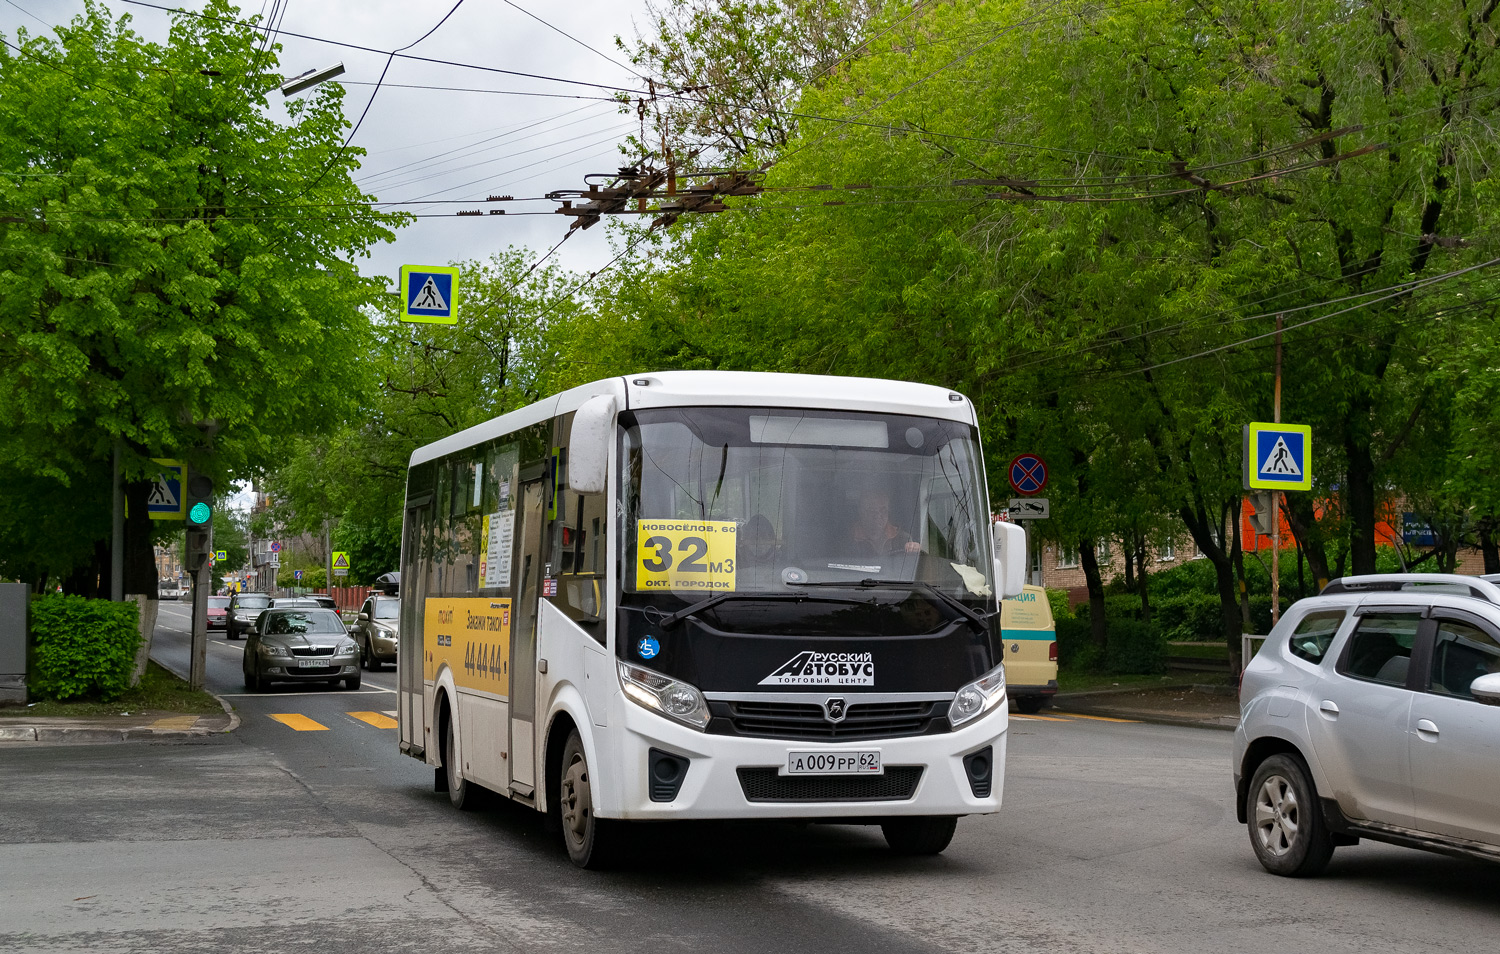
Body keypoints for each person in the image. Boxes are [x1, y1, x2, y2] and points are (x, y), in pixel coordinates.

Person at [847, 488, 922, 557]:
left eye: (883, 511)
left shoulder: (903, 539)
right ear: (860, 512)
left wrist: (916, 552)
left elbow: (910, 567)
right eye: (872, 510)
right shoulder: (848, 539)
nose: (878, 515)